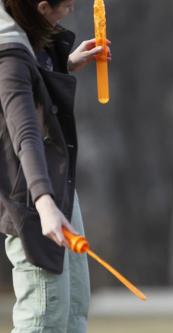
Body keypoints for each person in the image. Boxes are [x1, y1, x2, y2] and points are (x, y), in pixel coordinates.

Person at [0, 0, 108, 332]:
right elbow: (25, 134)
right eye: (68, 4)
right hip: (30, 193)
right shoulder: (9, 57)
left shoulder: (26, 31)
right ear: (43, 7)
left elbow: (34, 84)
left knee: (74, 307)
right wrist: (44, 202)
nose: (73, 9)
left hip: (52, 181)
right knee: (45, 313)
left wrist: (65, 61)